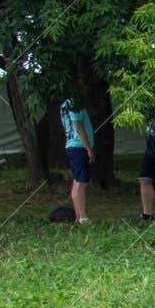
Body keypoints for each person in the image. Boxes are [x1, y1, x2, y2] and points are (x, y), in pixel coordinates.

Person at [59, 96, 94, 224]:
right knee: (81, 182)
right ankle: (82, 217)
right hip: (78, 146)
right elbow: (78, 128)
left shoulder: (65, 105)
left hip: (72, 146)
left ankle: (78, 216)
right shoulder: (74, 105)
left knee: (76, 181)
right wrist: (88, 148)